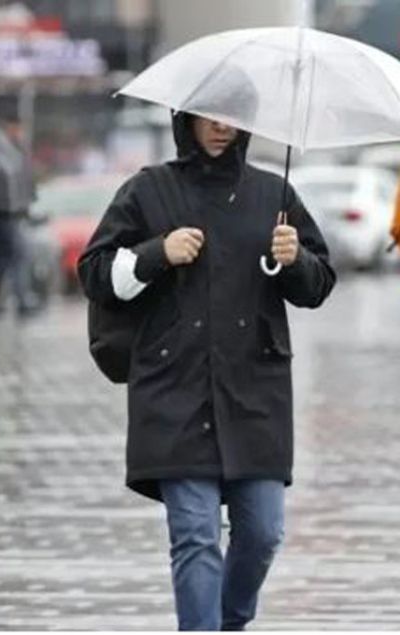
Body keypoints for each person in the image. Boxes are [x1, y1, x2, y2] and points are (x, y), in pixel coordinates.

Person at [78, 110, 336, 630]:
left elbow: (319, 284)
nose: (222, 126)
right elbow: (95, 273)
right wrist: (156, 254)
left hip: (256, 398)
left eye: (233, 116)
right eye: (209, 116)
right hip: (173, 394)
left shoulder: (274, 194)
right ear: (186, 120)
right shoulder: (149, 190)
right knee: (194, 535)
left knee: (263, 532)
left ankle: (229, 622)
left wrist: (296, 260)